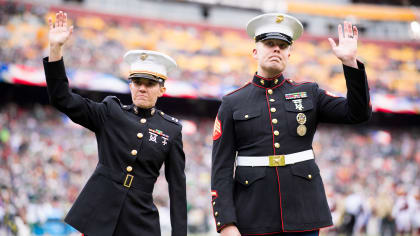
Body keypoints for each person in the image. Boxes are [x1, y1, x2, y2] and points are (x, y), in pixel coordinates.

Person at [211, 13, 371, 236]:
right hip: (254, 216)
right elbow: (221, 168)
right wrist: (226, 223)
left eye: (283, 45)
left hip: (304, 213)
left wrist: (350, 63)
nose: (276, 49)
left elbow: (358, 114)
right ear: (255, 51)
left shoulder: (309, 93)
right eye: (269, 43)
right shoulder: (232, 103)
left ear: (289, 53)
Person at [43, 11, 187, 236]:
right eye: (137, 81)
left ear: (162, 89)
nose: (141, 88)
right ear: (130, 85)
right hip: (99, 211)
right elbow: (62, 98)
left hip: (140, 220)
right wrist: (55, 49)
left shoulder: (171, 130)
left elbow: (178, 189)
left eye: (149, 84)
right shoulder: (111, 112)